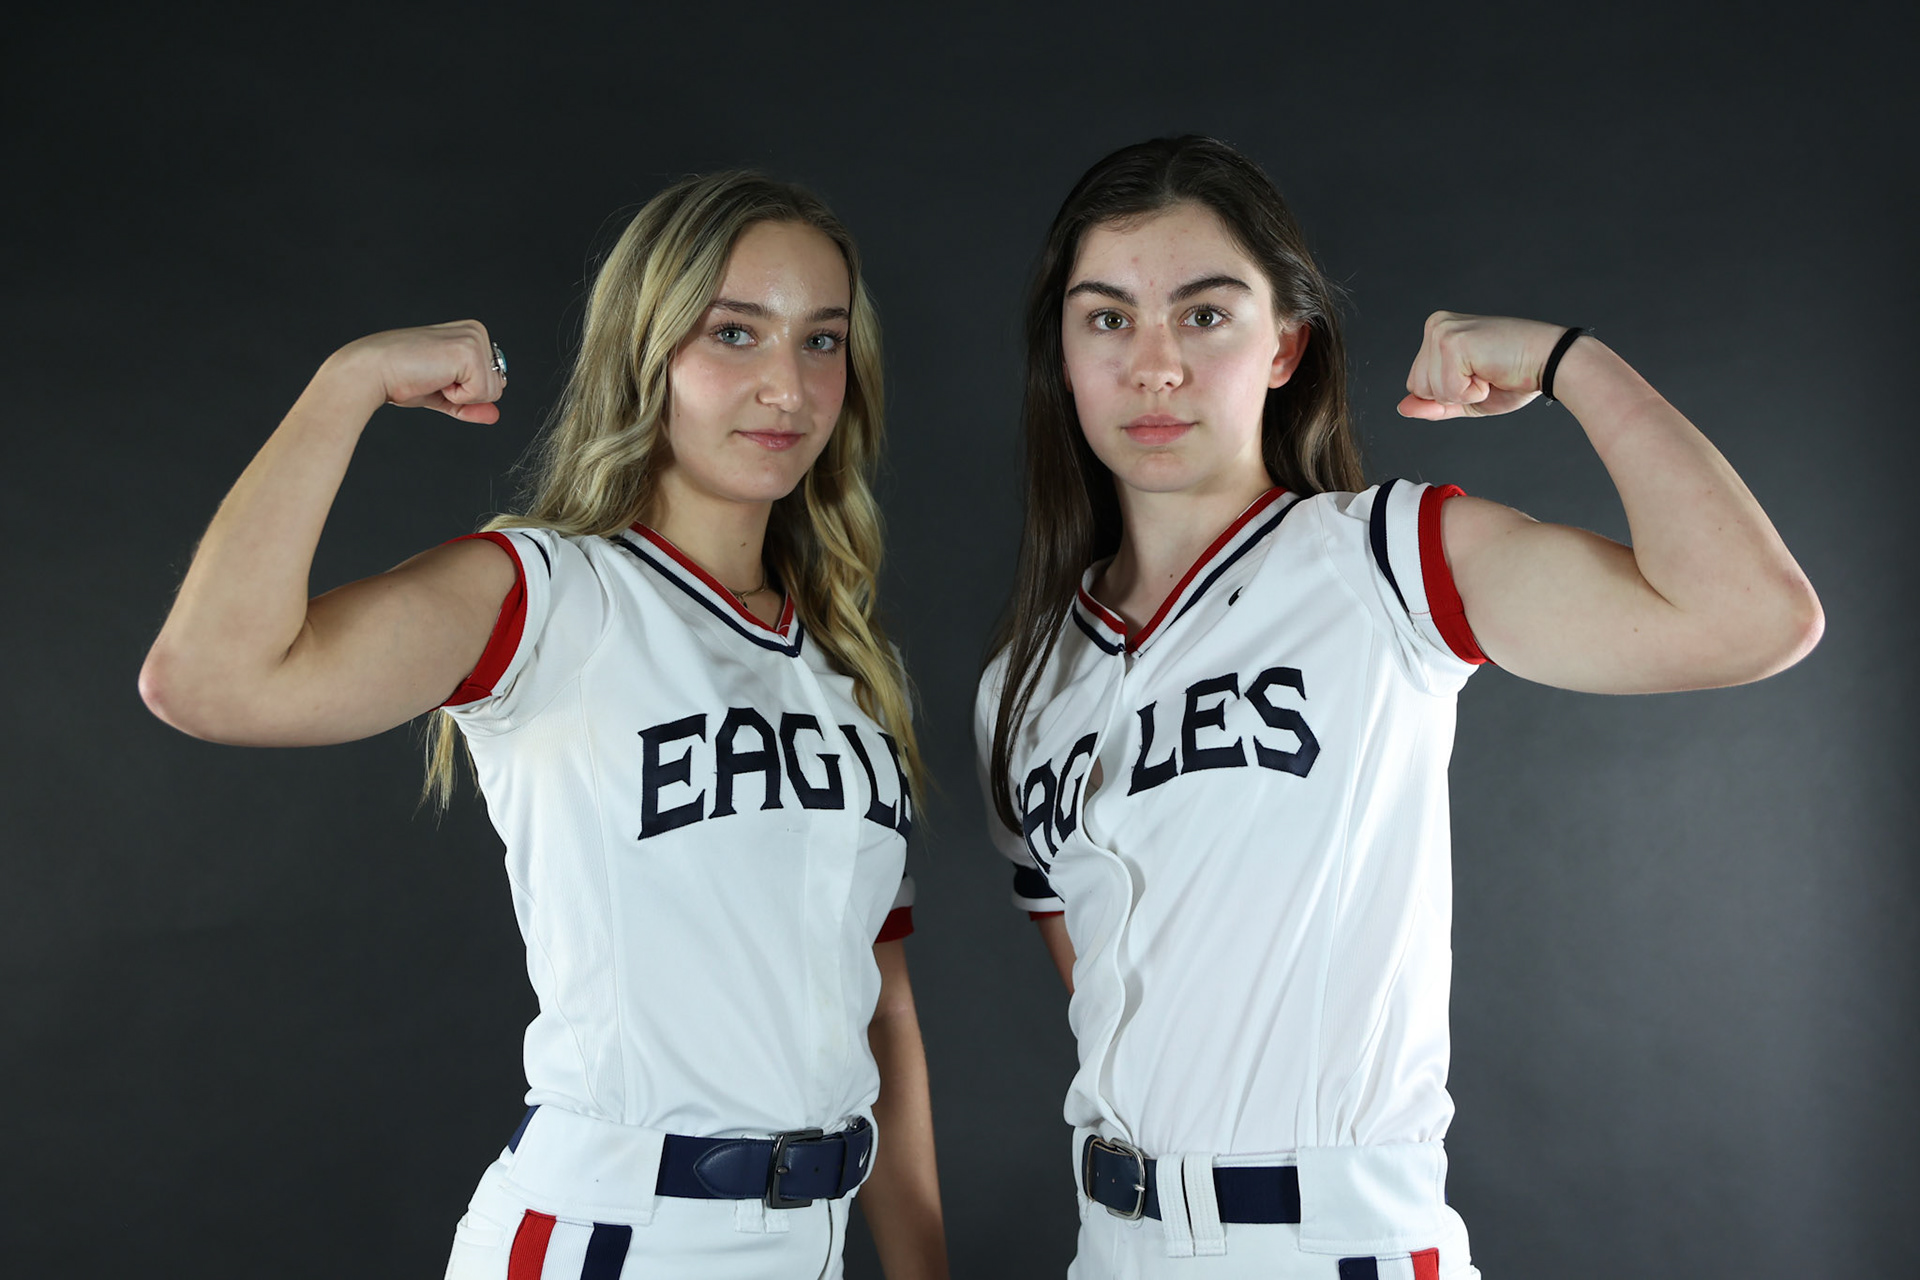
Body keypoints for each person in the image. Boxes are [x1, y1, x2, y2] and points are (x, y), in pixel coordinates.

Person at [976, 136, 1822, 1280]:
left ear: (1286, 346)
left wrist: (1573, 361)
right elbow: (1126, 989)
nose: (1155, 365)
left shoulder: (1382, 561)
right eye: (1108, 318)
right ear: (1063, 355)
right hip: (1112, 1244)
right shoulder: (1022, 685)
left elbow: (1751, 618)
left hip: (1332, 1244)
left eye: (1207, 314)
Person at [141, 172, 948, 1280]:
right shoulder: (551, 595)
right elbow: (211, 679)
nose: (785, 385)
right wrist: (348, 384)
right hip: (615, 1235)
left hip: (809, 1239)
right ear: (644, 348)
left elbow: (881, 1002)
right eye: (733, 332)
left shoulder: (853, 663)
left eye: (821, 340)